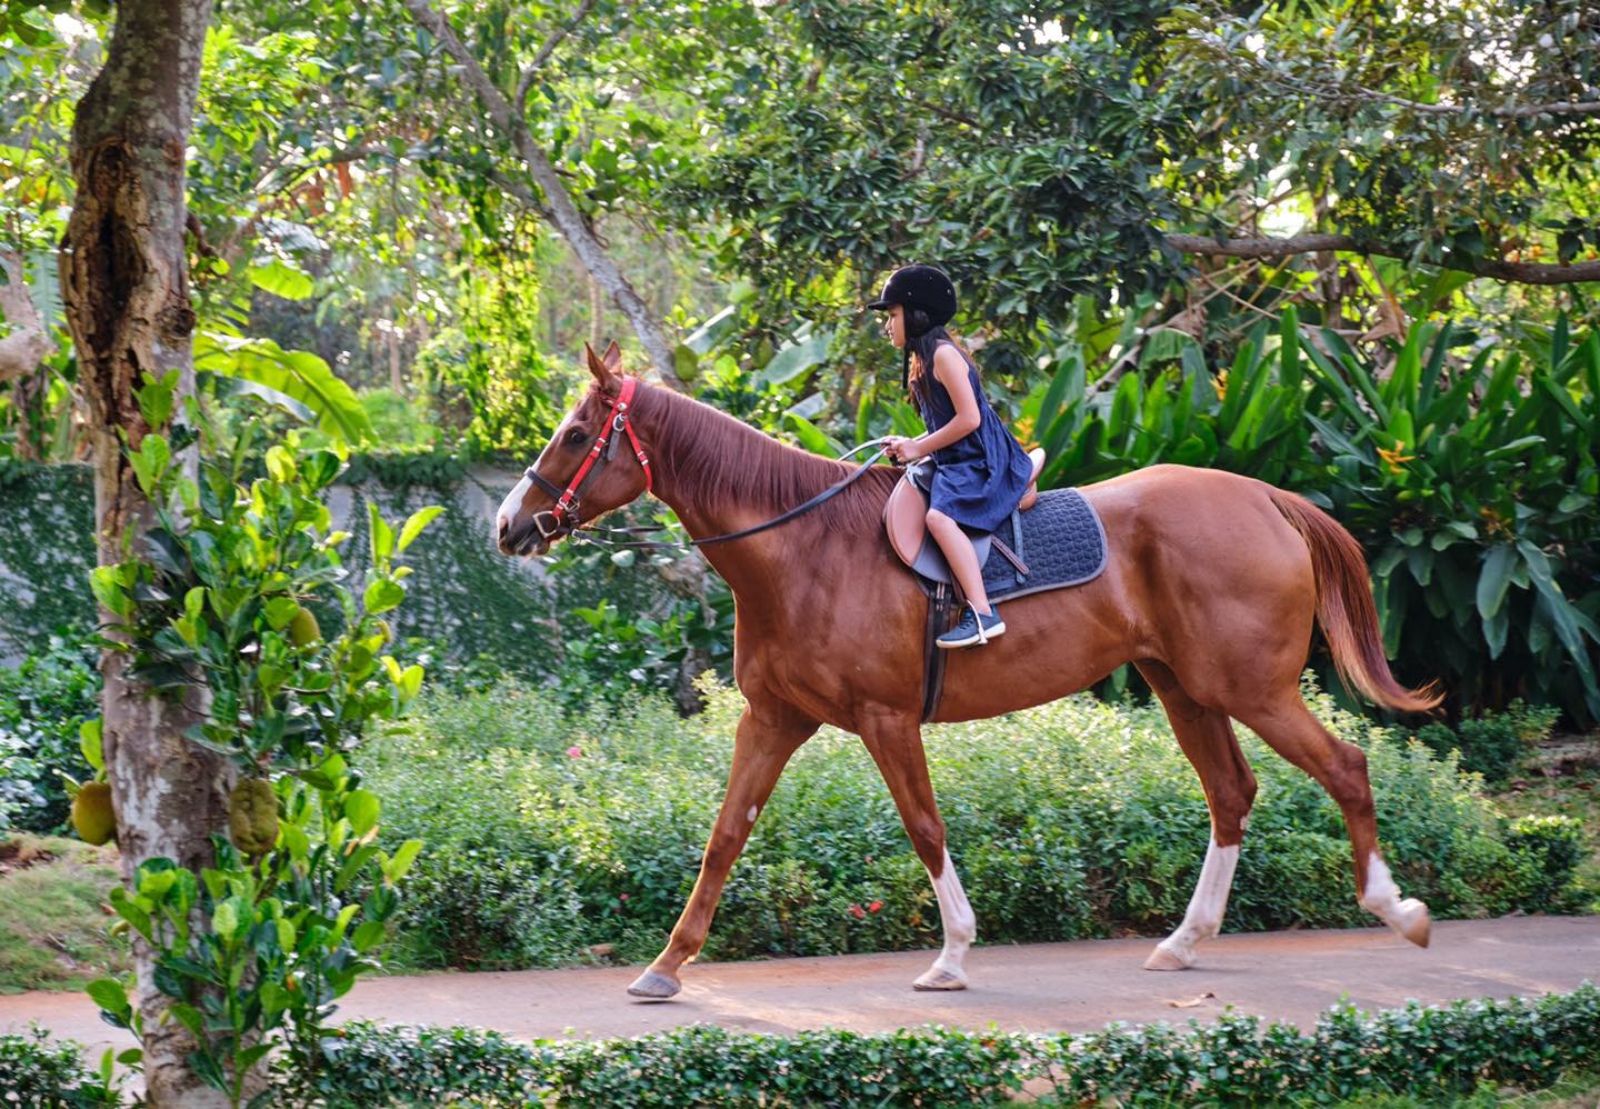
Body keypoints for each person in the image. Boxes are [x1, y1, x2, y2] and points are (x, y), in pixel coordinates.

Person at [870, 264, 1035, 648]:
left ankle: (982, 613)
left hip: (981, 463)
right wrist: (910, 442)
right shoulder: (922, 360)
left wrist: (918, 448)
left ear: (916, 314)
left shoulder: (944, 356)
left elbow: (970, 419)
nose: (888, 325)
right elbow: (945, 422)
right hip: (956, 460)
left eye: (893, 315)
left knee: (939, 518)